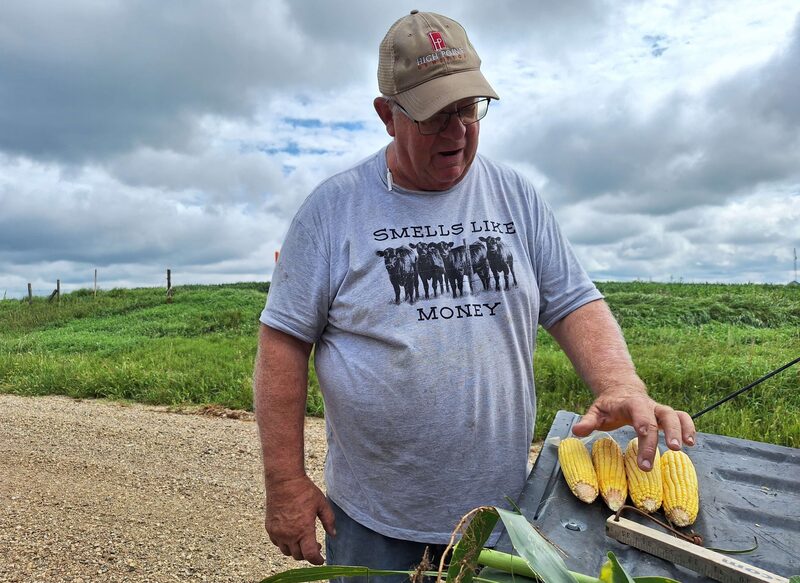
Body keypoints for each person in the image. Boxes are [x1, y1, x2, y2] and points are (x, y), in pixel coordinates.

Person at [253, 9, 696, 578]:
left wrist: (619, 383)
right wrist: (285, 483)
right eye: (437, 115)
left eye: (468, 108)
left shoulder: (516, 196)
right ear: (388, 116)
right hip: (373, 524)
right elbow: (283, 344)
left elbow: (572, 301)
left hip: (504, 519)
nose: (458, 132)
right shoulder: (331, 212)